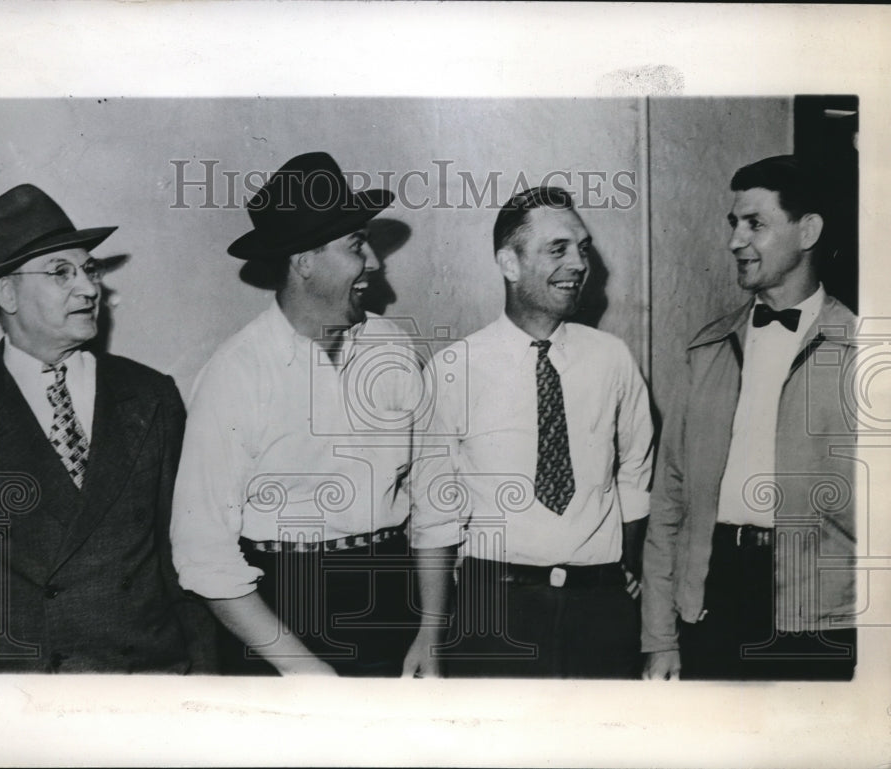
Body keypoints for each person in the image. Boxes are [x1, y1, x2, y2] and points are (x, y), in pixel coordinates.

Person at [0, 183, 217, 673]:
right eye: (61, 273)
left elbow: (185, 560)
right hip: (15, 702)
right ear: (7, 293)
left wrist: (206, 684)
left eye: (89, 269)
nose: (89, 288)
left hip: (145, 683)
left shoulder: (150, 395)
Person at [170, 151, 422, 676]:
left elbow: (433, 497)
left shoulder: (394, 349)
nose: (373, 263)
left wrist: (431, 631)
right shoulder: (236, 374)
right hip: (281, 622)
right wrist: (304, 672)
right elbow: (202, 552)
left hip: (395, 607)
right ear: (304, 261)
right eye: (357, 245)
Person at [404, 185, 654, 678]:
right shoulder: (454, 368)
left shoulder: (613, 358)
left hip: (601, 613)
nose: (579, 264)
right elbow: (435, 512)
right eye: (557, 249)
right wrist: (430, 633)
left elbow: (635, 478)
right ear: (509, 264)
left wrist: (628, 566)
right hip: (493, 612)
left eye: (582, 248)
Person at [641, 155, 857, 681]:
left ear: (807, 232)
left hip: (825, 613)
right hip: (714, 596)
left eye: (755, 224)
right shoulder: (707, 349)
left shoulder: (864, 352)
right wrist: (659, 637)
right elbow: (669, 502)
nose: (735, 241)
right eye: (733, 224)